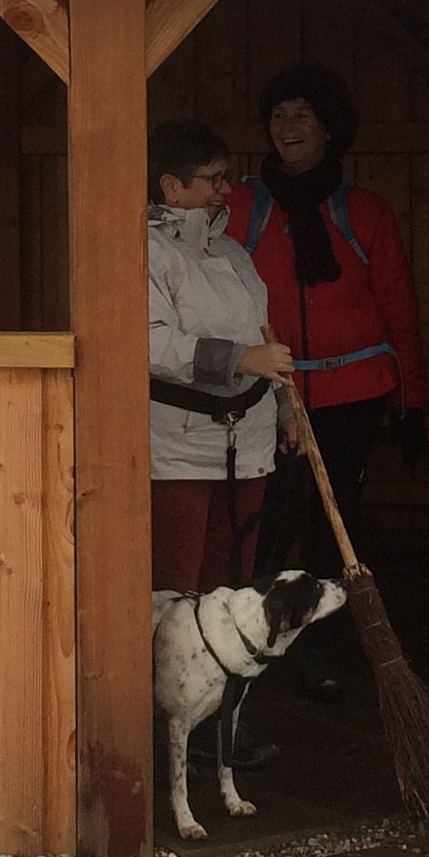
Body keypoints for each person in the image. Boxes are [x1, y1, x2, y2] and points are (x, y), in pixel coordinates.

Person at [229, 64, 427, 696]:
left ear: (330, 129)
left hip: (353, 396)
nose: (287, 128)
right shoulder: (238, 207)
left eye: (303, 115)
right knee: (264, 524)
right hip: (266, 396)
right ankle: (248, 645)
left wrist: (412, 398)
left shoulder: (363, 212)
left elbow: (399, 305)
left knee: (333, 526)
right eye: (279, 114)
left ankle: (318, 650)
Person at [147, 120, 292, 609]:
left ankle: (223, 686)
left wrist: (284, 408)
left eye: (226, 175)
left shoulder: (232, 252)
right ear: (172, 185)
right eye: (213, 177)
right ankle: (170, 686)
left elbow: (261, 335)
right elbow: (149, 345)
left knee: (230, 587)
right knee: (176, 589)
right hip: (178, 447)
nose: (226, 188)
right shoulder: (146, 252)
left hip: (247, 441)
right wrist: (240, 359)